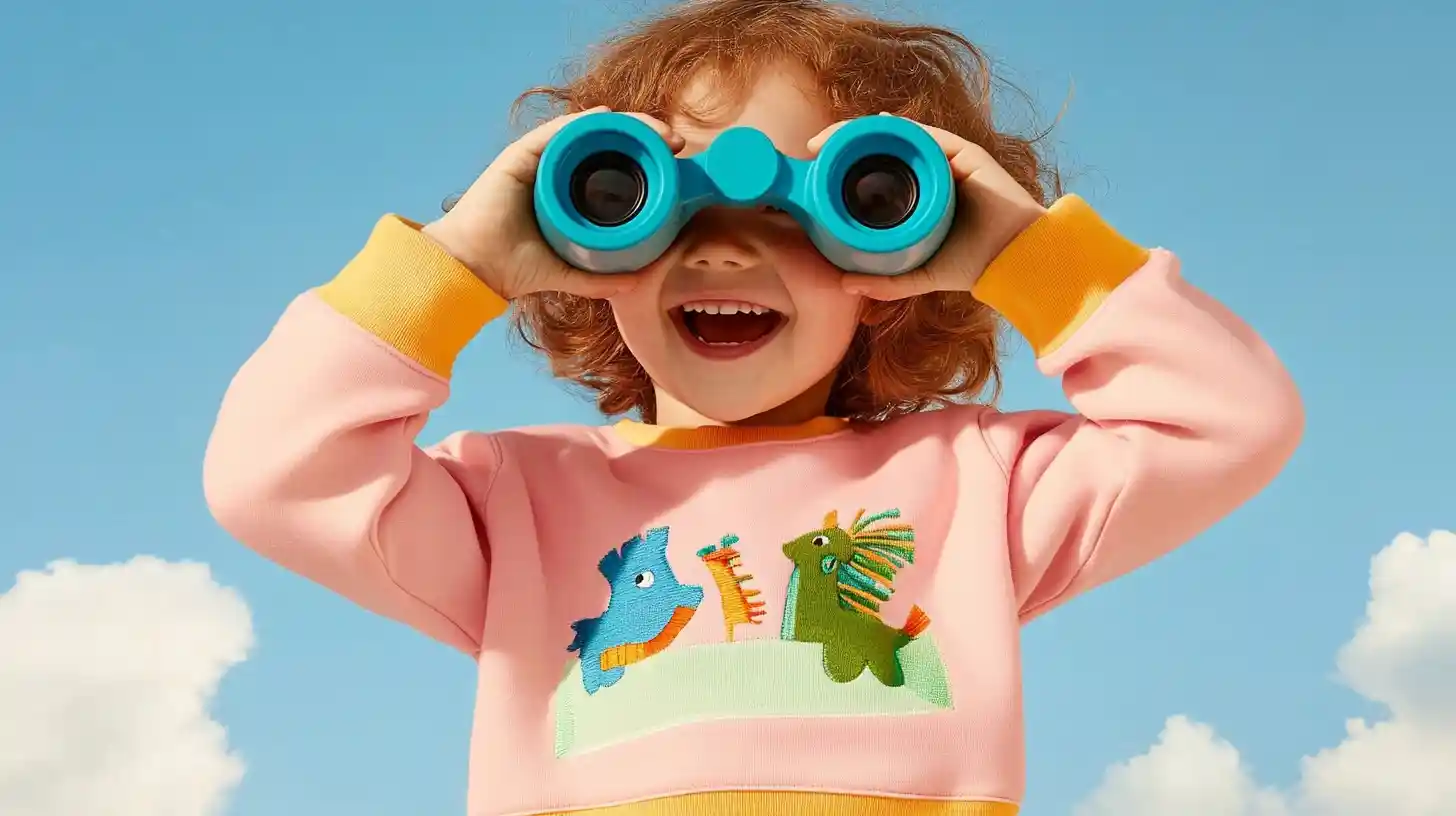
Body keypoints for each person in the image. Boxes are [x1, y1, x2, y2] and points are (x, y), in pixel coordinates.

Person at [203, 0, 1303, 813]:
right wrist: (463, 262)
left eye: (826, 209)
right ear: (587, 250)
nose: (724, 243)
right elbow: (274, 472)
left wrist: (1022, 254)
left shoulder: (975, 484)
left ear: (895, 264)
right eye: (649, 204)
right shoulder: (516, 500)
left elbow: (1227, 419)